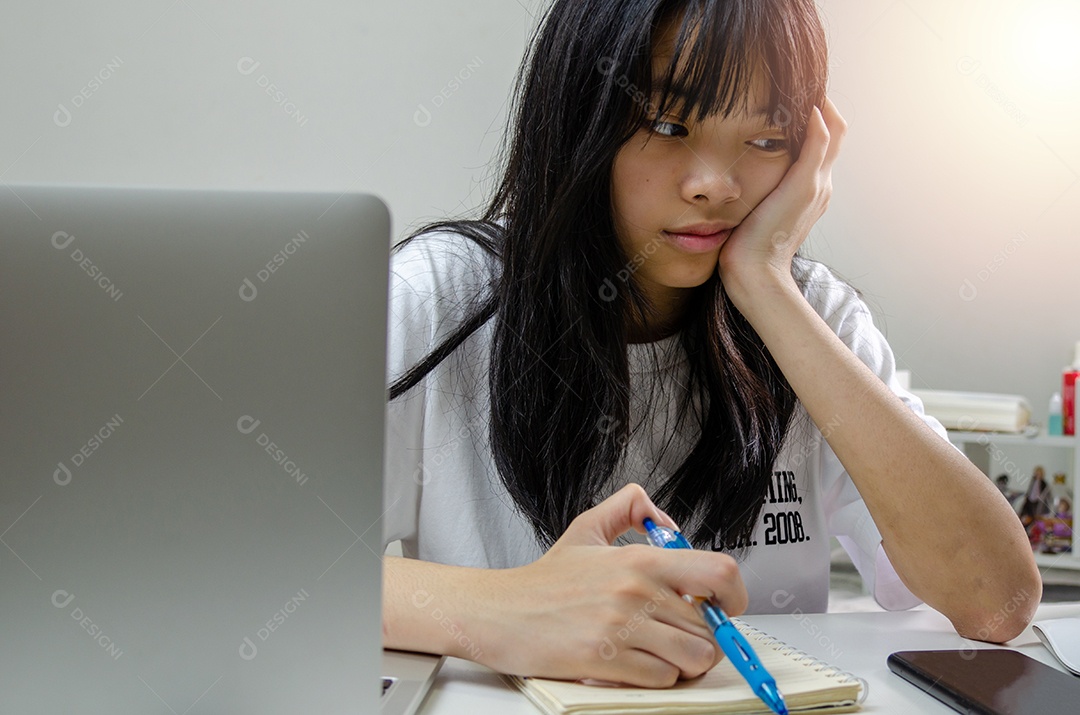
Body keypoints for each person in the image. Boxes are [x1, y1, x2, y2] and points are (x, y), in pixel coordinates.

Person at [381, 0, 1040, 688]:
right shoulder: (442, 300)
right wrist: (508, 612)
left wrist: (764, 283)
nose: (715, 187)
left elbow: (996, 599)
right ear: (578, 116)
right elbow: (271, 566)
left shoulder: (813, 317)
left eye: (766, 139)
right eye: (668, 124)